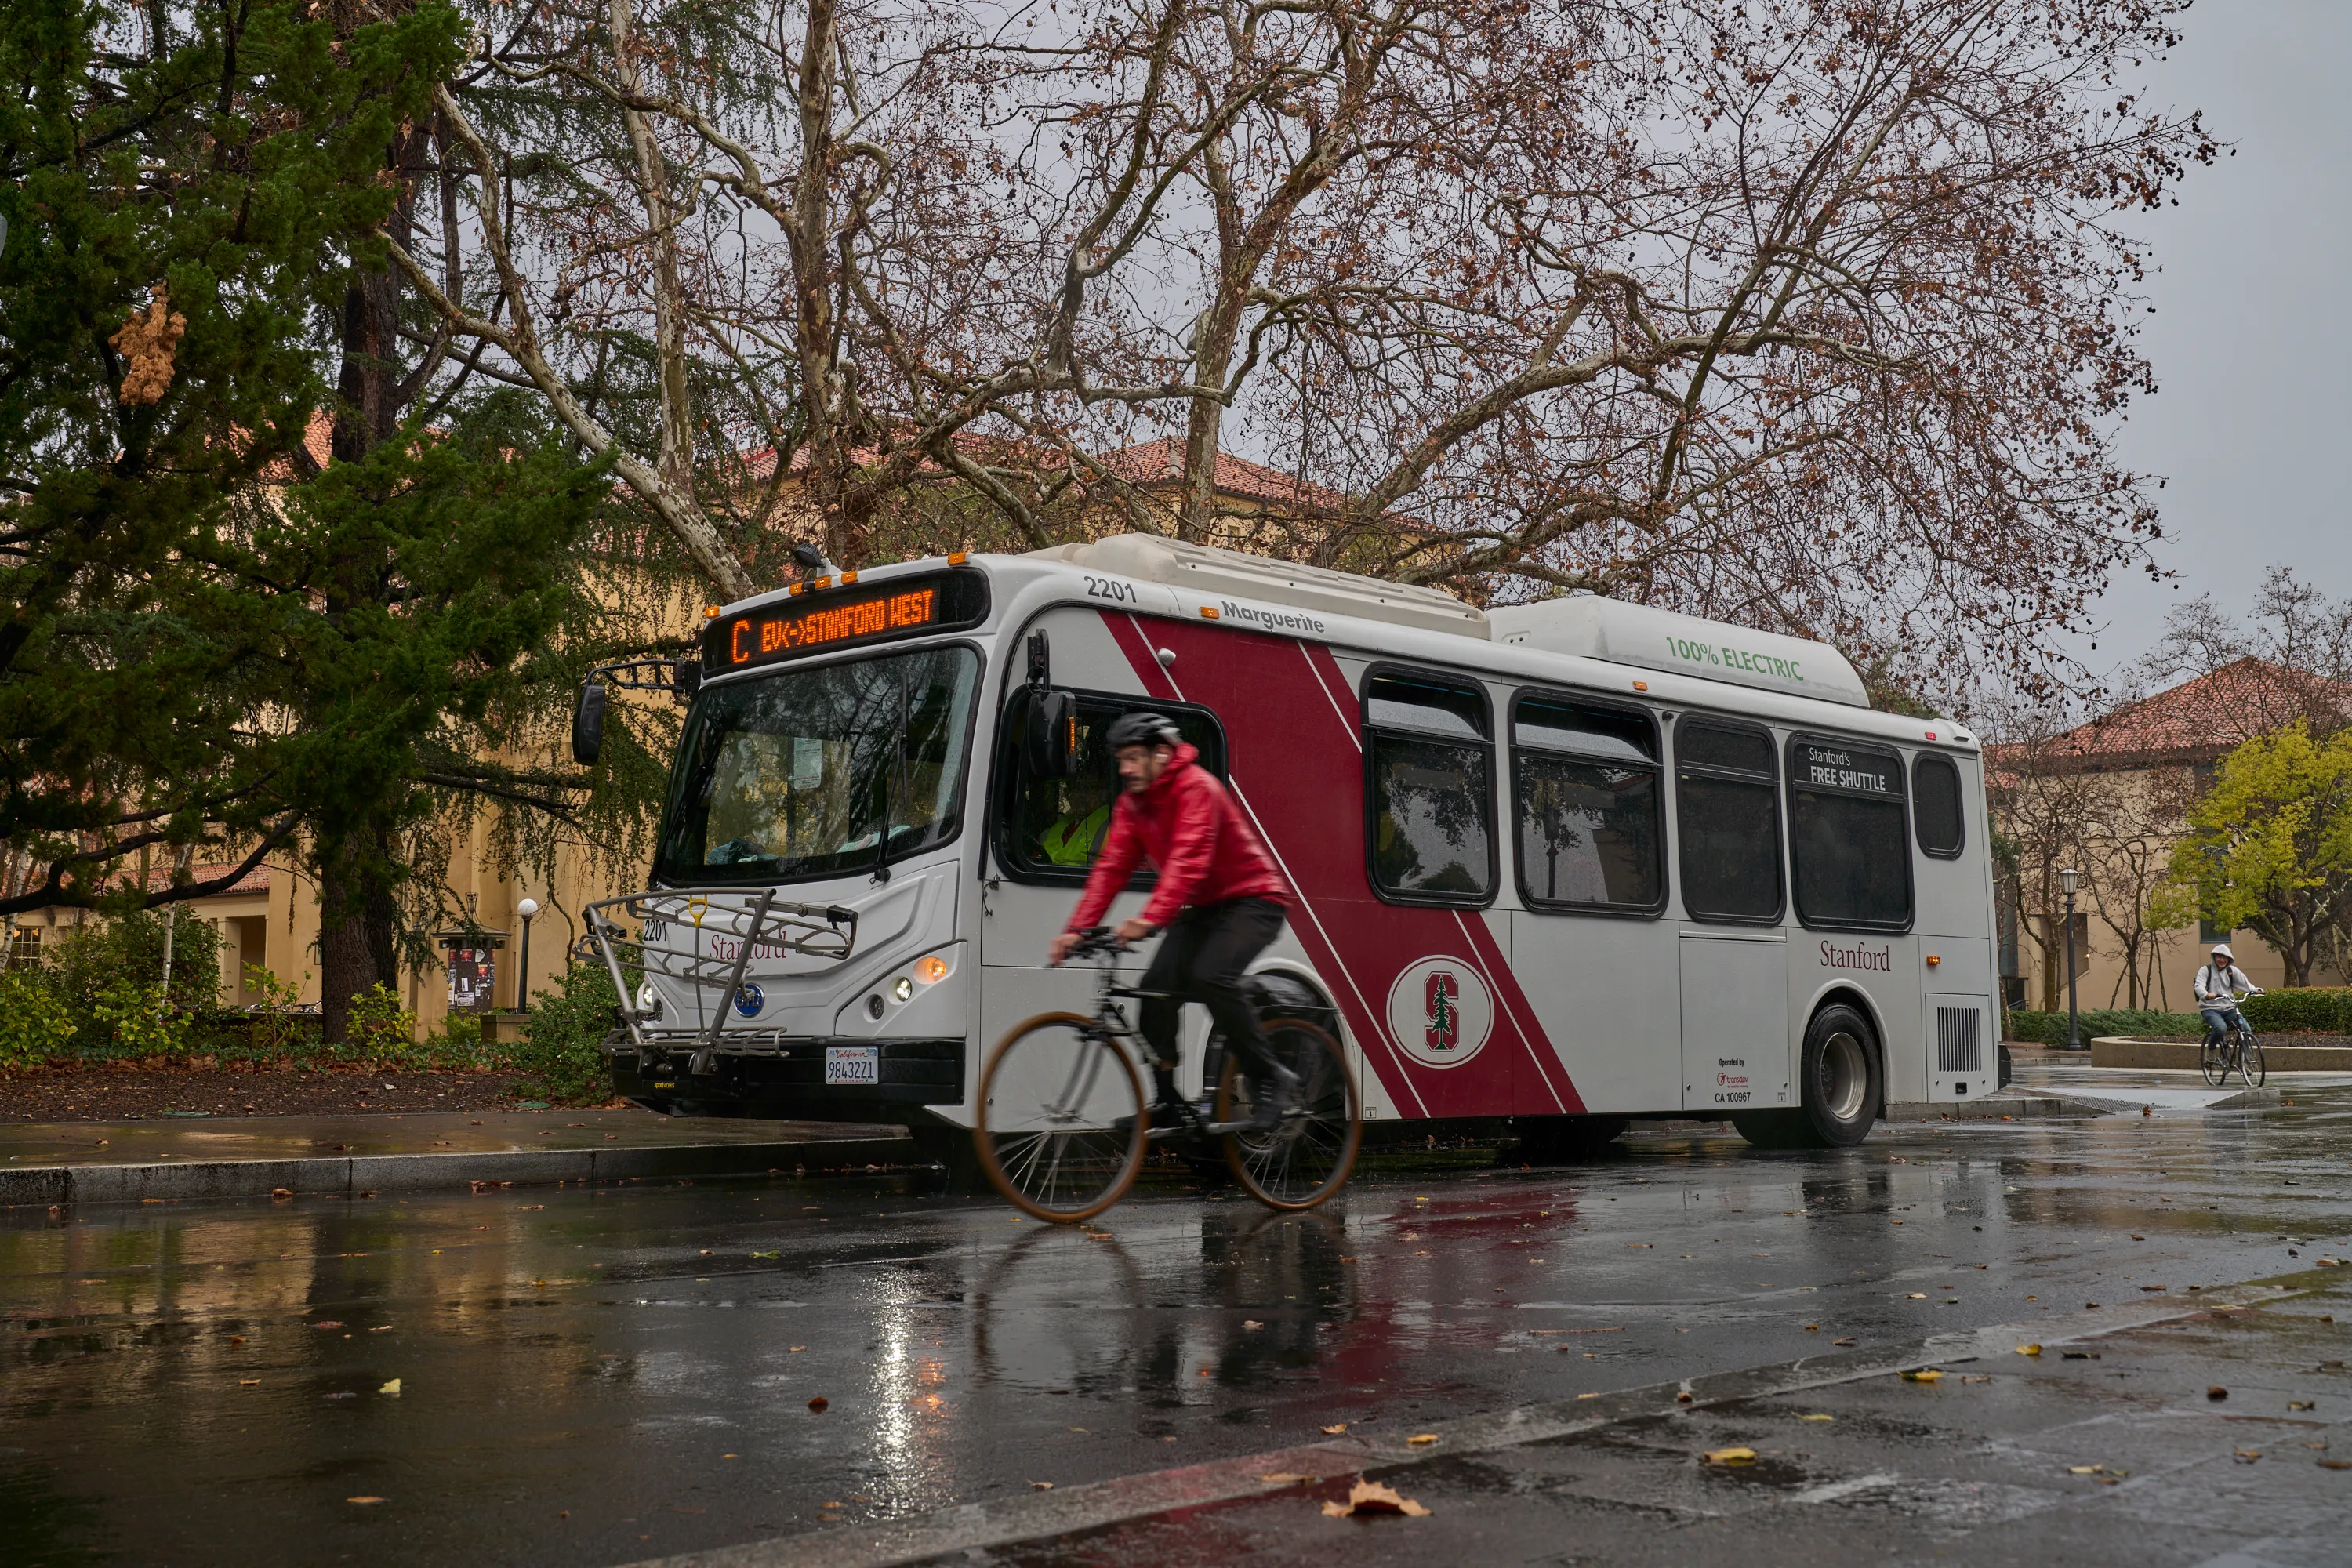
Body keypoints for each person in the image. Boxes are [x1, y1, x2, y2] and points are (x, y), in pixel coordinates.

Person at [1048, 711, 1298, 1129]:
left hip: (1254, 900)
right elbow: (1112, 868)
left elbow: (1188, 862)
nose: (1125, 769)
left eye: (1132, 758)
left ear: (1161, 753)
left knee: (1211, 975)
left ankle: (1271, 1076)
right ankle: (1167, 1100)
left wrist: (1148, 920)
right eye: (1120, 760)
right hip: (1204, 907)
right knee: (1154, 990)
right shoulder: (1133, 805)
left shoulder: (1199, 788)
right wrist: (1075, 930)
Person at [2193, 943, 2258, 1051]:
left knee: (2246, 1030)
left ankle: (2245, 1058)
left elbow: (2246, 984)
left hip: (2229, 1008)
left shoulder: (2232, 971)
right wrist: (2206, 994)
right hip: (2210, 1009)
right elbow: (2199, 986)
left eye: (2225, 957)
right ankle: (2211, 1049)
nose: (2222, 960)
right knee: (2221, 1029)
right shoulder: (2205, 971)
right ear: (2214, 957)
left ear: (2229, 959)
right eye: (2219, 957)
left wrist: (2255, 990)